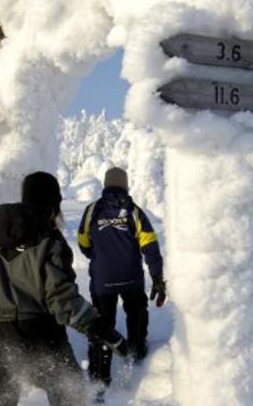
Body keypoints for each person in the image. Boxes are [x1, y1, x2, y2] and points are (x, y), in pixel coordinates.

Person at [0, 171, 127, 406]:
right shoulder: (49, 240)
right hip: (35, 334)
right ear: (52, 208)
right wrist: (101, 329)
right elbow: (63, 301)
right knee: (70, 393)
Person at [77, 167, 166, 394]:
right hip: (131, 277)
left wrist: (99, 257)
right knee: (136, 312)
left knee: (101, 323)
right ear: (125, 185)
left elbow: (83, 242)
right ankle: (137, 352)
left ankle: (99, 377)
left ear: (105, 185)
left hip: (102, 280)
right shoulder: (134, 211)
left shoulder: (92, 210)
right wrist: (157, 276)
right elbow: (150, 245)